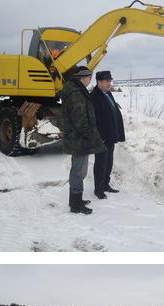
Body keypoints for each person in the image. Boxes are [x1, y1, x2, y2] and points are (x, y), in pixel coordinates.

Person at [61, 66, 106, 214]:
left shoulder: (77, 90)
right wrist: (89, 135)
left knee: (79, 169)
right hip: (78, 139)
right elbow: (80, 119)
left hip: (78, 138)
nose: (89, 81)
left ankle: (76, 200)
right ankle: (75, 204)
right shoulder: (75, 93)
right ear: (82, 78)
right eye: (88, 78)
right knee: (78, 170)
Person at [90, 70, 125, 199]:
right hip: (102, 137)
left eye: (109, 81)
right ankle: (98, 190)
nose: (109, 83)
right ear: (99, 82)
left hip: (110, 135)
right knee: (100, 163)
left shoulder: (108, 93)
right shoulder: (94, 96)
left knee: (109, 161)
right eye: (106, 81)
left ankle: (106, 184)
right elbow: (96, 119)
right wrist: (101, 137)